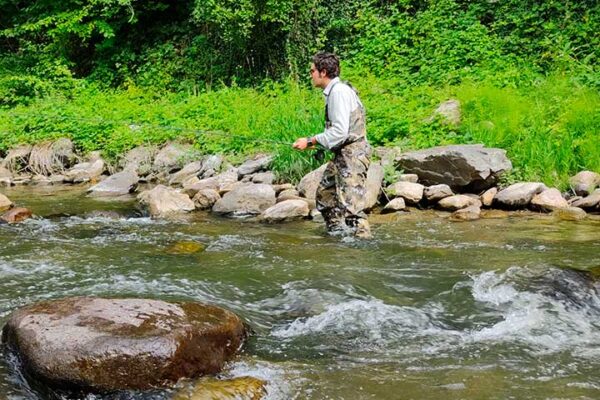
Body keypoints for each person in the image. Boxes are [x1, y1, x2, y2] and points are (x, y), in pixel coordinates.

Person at [293, 52, 372, 239]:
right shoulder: (337, 91)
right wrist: (319, 145)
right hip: (343, 154)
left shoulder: (338, 92)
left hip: (353, 155)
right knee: (324, 195)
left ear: (323, 72)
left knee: (353, 206)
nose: (310, 74)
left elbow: (340, 131)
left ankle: (362, 246)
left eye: (312, 71)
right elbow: (339, 133)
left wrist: (311, 141)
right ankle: (338, 235)